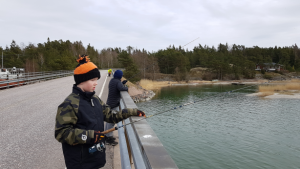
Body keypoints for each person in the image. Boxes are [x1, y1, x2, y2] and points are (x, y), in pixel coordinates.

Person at [55, 55, 145, 169]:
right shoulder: (70, 104)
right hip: (80, 163)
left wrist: (131, 112)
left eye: (96, 80)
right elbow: (61, 133)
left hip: (95, 158)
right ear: (81, 81)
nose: (96, 83)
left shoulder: (95, 100)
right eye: (92, 80)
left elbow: (111, 116)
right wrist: (90, 136)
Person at [105, 70, 128, 146]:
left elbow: (117, 86)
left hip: (109, 103)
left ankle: (106, 135)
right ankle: (109, 138)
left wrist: (122, 83)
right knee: (112, 121)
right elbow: (121, 88)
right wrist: (126, 87)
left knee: (109, 120)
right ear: (120, 76)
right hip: (114, 104)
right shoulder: (117, 82)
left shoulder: (112, 80)